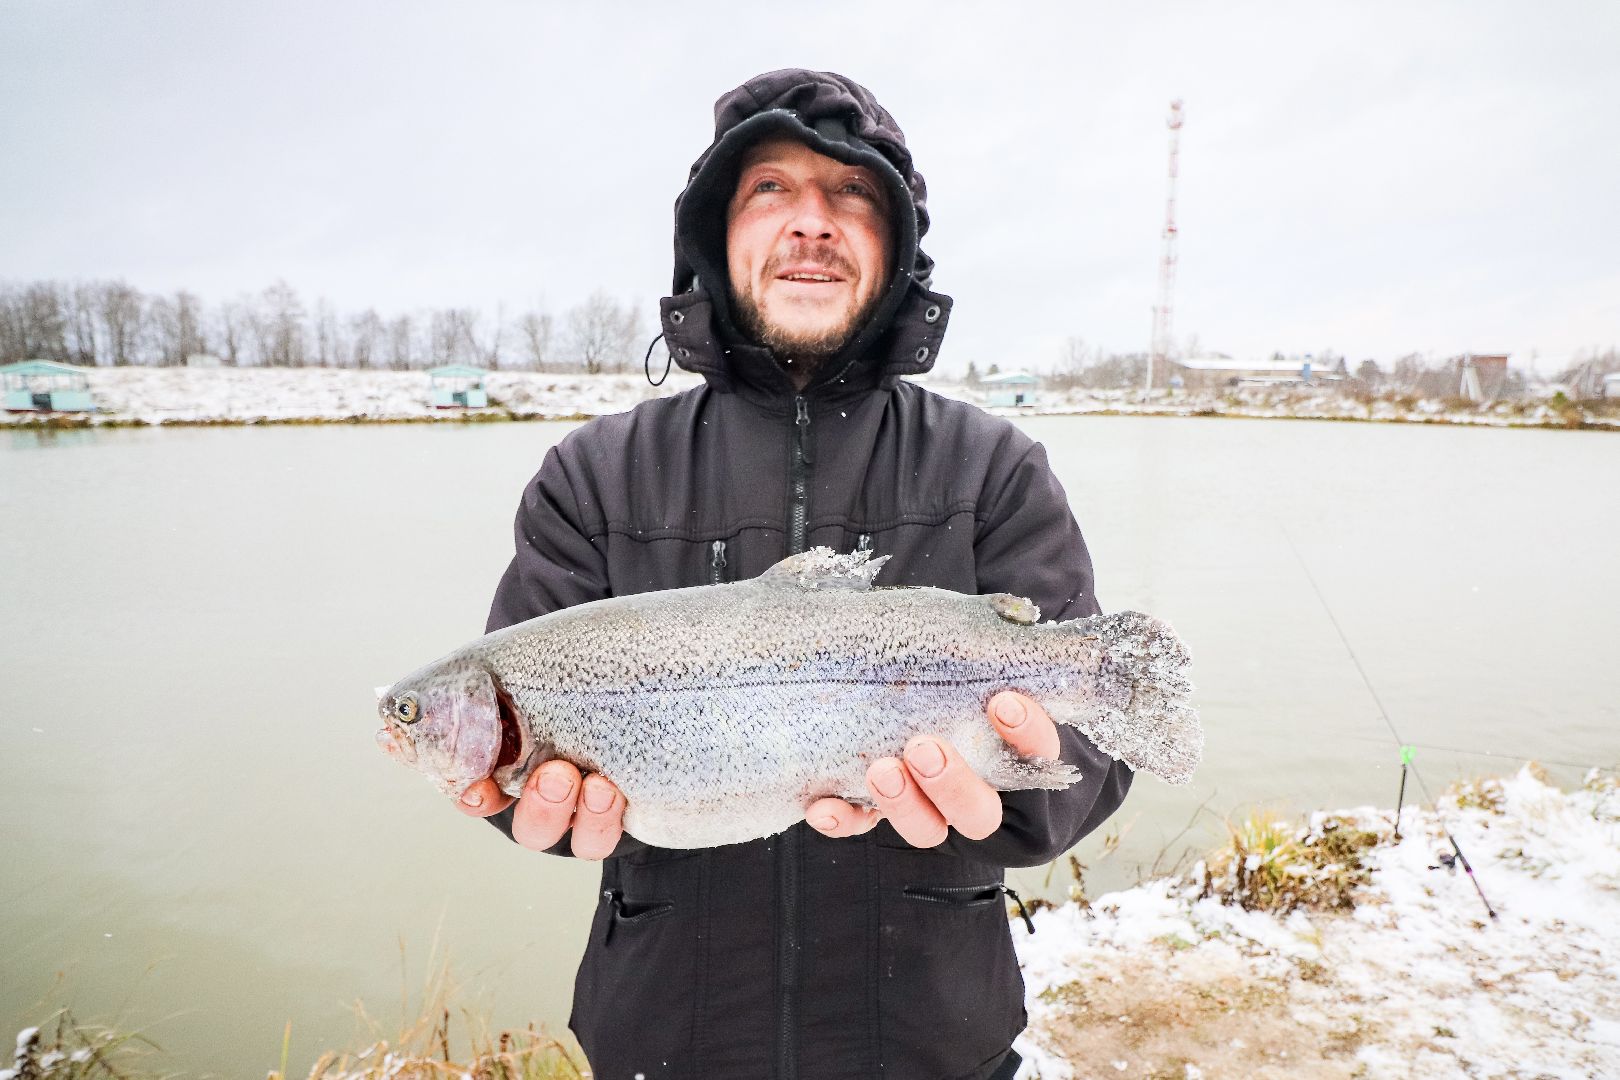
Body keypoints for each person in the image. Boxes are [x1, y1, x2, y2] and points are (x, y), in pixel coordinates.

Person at [458, 69, 1132, 1080]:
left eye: (851, 193)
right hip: (666, 1047)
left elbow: (1089, 755)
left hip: (934, 1049)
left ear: (898, 246)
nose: (810, 222)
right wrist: (534, 811)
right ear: (714, 241)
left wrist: (1024, 786)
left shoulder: (995, 470)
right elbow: (535, 781)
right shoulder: (591, 479)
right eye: (770, 190)